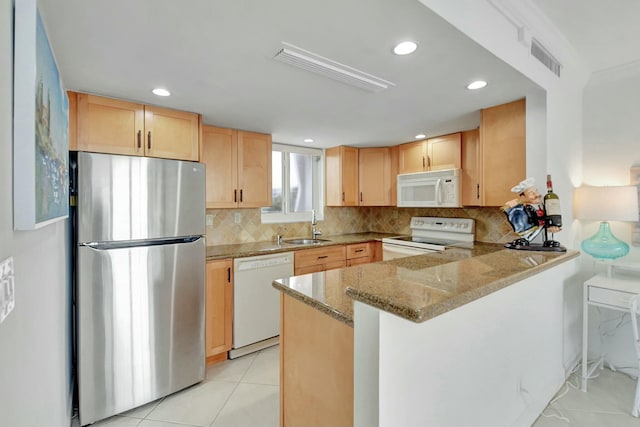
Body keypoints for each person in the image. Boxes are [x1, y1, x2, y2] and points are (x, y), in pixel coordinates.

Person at [502, 177, 561, 245]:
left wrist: (552, 225)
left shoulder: (543, 205)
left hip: (544, 240)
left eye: (536, 191)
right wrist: (510, 206)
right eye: (531, 193)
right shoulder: (520, 209)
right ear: (523, 197)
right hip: (530, 240)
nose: (537, 195)